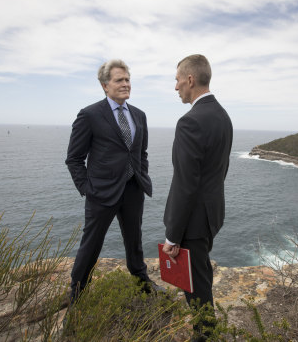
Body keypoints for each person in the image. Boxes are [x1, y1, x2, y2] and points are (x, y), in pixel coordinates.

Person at [66, 59, 154, 302]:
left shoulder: (139, 115)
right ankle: (77, 292)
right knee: (91, 244)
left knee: (134, 240)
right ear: (105, 85)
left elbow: (140, 153)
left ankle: (141, 281)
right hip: (101, 192)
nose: (126, 84)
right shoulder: (90, 115)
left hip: (133, 188)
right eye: (119, 80)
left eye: (127, 80)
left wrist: (141, 175)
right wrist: (87, 189)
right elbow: (74, 158)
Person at [162, 54, 233, 338]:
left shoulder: (189, 122)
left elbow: (185, 184)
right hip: (211, 215)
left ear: (190, 79)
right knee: (201, 274)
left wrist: (172, 235)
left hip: (192, 222)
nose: (176, 86)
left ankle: (204, 335)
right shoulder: (223, 116)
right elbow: (218, 171)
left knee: (195, 285)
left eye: (178, 79)